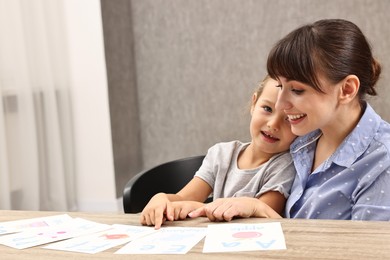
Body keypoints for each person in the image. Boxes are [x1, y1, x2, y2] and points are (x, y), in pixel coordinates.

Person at [190, 18, 390, 222]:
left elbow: (366, 251)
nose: (281, 104)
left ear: (347, 89)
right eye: (280, 87)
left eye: (296, 90)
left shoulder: (382, 161)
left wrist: (260, 209)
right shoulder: (302, 137)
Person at [140, 75, 297, 229]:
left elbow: (263, 216)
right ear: (253, 103)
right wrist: (161, 198)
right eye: (267, 109)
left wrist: (192, 207)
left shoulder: (287, 165)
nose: (273, 124)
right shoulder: (221, 153)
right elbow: (183, 198)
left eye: (288, 118)